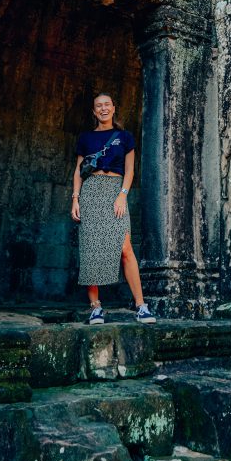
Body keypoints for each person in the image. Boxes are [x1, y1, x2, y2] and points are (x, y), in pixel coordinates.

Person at [71, 92, 155, 325]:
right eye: (99, 106)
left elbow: (130, 170)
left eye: (107, 104)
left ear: (114, 108)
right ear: (94, 111)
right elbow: (79, 171)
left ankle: (141, 305)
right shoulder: (86, 137)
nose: (103, 108)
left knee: (125, 247)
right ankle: (95, 307)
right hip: (90, 192)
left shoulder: (125, 137)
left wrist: (122, 195)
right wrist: (75, 199)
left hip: (115, 191)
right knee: (90, 248)